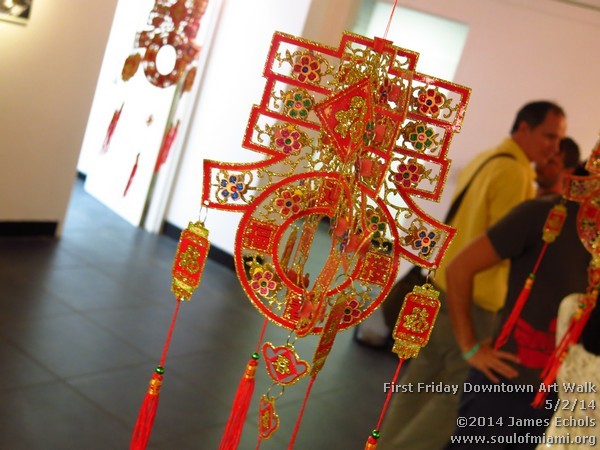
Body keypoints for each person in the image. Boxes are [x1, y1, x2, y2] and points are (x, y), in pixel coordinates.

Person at [378, 101, 566, 450]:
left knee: (417, 387)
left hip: (440, 287)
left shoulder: (487, 158)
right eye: (549, 136)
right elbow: (507, 246)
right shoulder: (515, 173)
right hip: (472, 302)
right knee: (451, 403)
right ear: (524, 128)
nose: (554, 148)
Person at [443, 189, 590, 448]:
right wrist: (470, 347)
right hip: (505, 386)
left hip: (567, 402)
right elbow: (459, 268)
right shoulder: (545, 214)